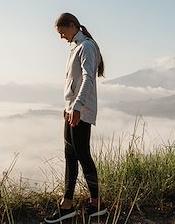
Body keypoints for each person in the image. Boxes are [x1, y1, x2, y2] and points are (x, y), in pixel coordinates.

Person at [44, 12, 108, 223]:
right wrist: (69, 107)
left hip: (80, 111)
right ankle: (67, 204)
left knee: (82, 155)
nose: (62, 37)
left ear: (72, 26)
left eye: (62, 32)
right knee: (70, 157)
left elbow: (88, 78)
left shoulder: (86, 46)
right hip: (72, 110)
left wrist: (78, 107)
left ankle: (97, 203)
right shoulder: (76, 47)